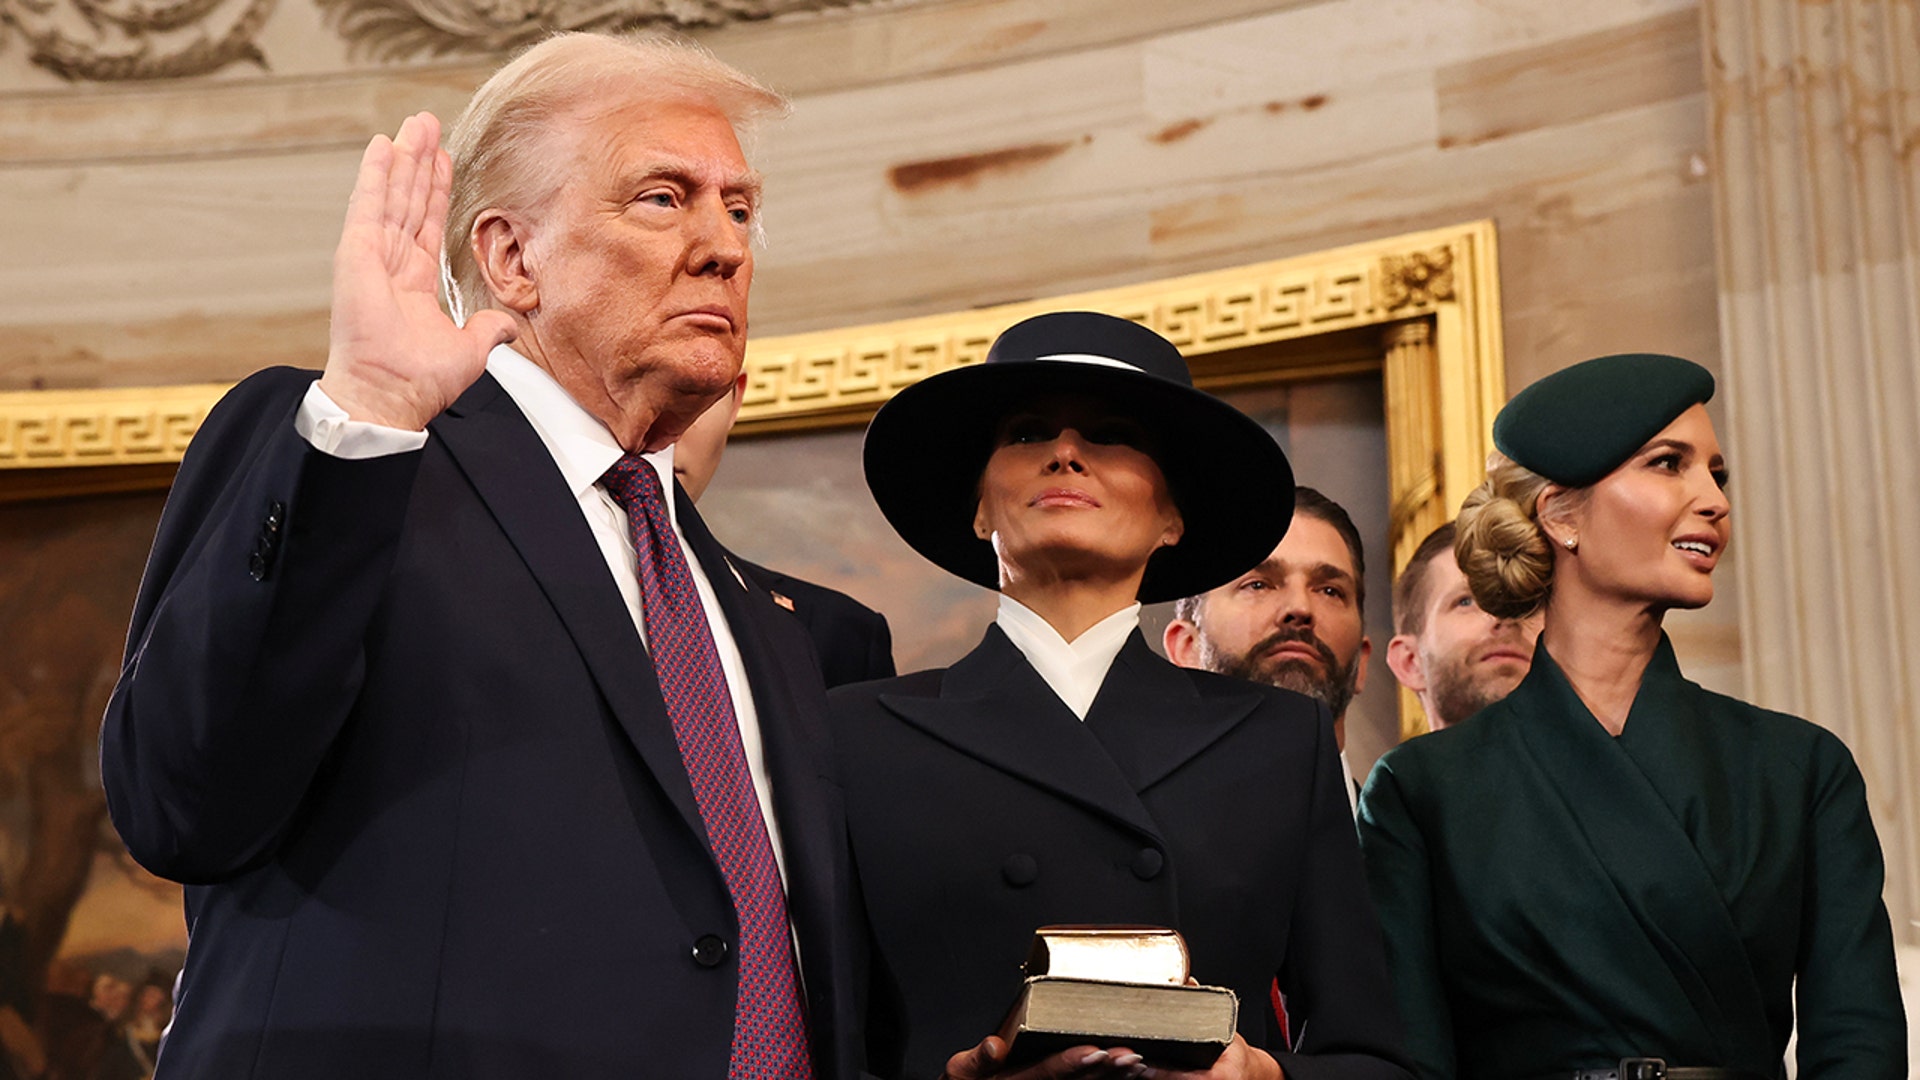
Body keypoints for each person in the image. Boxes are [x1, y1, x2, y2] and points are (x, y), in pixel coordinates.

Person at [99, 33, 864, 1079]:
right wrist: (368, 414)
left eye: (739, 208)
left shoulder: (750, 618)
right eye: (663, 198)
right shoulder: (358, 461)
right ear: (513, 259)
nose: (727, 247)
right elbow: (182, 802)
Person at [831, 311, 1412, 1080]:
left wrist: (1258, 1074)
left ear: (1173, 518)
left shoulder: (1280, 740)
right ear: (978, 507)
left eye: (1111, 435)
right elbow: (810, 1047)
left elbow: (1377, 1061)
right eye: (1029, 433)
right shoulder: (856, 733)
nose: (1066, 454)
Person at [1357, 354, 1906, 1080]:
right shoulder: (1421, 790)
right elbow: (1412, 1062)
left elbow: (1860, 1047)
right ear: (1561, 515)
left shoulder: (1800, 768)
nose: (1713, 499)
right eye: (1669, 464)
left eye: (1717, 473)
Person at [675, 371, 897, 687]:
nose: (665, 429)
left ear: (735, 400)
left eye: (694, 393)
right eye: (630, 386)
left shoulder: (839, 635)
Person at [1163, 487, 1371, 810]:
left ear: (1363, 661)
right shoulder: (1128, 848)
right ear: (1187, 648)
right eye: (1258, 585)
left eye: (1329, 591)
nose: (1300, 607)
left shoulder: (1412, 851)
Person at [1382, 522, 1539, 732]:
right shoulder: (1395, 766)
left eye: (1524, 601)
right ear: (1410, 661)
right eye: (1467, 601)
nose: (1504, 615)